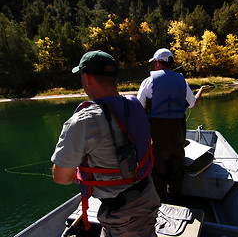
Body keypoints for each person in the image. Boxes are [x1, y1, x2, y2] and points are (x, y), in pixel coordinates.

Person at [51, 50, 160, 237]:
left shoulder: (83, 122)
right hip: (147, 195)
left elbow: (61, 177)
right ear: (114, 78)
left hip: (123, 215)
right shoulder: (135, 106)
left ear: (87, 78)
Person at [137, 48, 209, 202]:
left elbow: (138, 107)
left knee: (157, 173)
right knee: (176, 171)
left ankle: (160, 204)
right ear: (171, 63)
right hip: (178, 137)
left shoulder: (148, 82)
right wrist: (201, 90)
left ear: (157, 63)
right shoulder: (181, 81)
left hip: (157, 140)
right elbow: (193, 103)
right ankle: (175, 200)